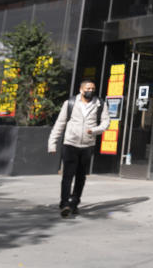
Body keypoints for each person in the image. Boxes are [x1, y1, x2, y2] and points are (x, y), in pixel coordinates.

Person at [48, 78, 110, 218]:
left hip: (87, 145)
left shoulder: (100, 104)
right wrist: (52, 143)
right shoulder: (70, 103)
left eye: (93, 89)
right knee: (67, 176)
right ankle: (64, 204)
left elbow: (106, 122)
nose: (91, 91)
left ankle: (74, 203)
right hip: (70, 143)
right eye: (88, 88)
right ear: (81, 90)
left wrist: (95, 130)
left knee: (81, 177)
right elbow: (60, 123)